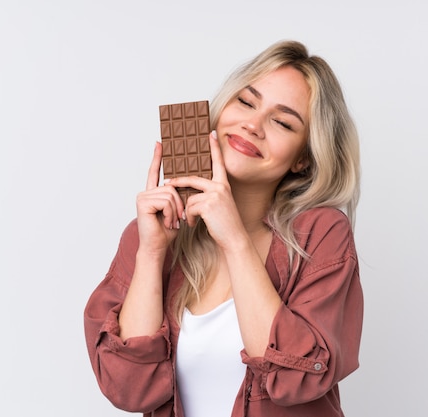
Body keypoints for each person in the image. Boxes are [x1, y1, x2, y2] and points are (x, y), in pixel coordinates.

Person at [84, 39, 363, 417]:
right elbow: (129, 389)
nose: (252, 124)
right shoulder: (149, 234)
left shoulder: (321, 234)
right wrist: (151, 252)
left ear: (303, 158)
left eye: (282, 122)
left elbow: (296, 378)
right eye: (246, 102)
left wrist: (234, 239)